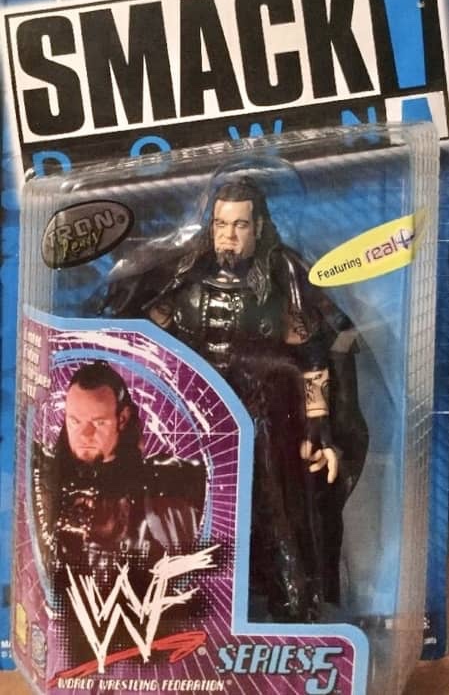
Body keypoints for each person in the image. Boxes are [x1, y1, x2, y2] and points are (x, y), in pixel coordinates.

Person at [106, 172, 368, 622]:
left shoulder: (282, 282)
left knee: (276, 516)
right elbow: (144, 338)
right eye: (221, 224)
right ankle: (177, 610)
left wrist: (318, 426)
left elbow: (313, 356)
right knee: (185, 518)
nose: (228, 236)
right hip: (192, 424)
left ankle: (294, 609)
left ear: (258, 227)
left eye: (239, 225)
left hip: (263, 423)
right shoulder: (182, 279)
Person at [33, 361, 206, 574]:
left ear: (122, 419)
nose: (85, 435)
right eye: (75, 422)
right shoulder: (42, 474)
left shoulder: (165, 483)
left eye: (99, 423)